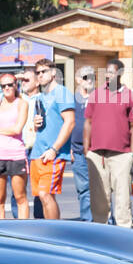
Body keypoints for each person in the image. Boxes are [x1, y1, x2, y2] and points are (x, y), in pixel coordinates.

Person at [84, 58, 133, 227]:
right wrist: (87, 149)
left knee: (123, 198)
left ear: (120, 74)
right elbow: (88, 122)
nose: (108, 75)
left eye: (112, 71)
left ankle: (124, 232)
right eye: (106, 72)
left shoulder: (132, 97)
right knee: (99, 199)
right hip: (96, 154)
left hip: (122, 155)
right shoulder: (96, 94)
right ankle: (101, 232)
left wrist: (131, 152)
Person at [27, 59, 75, 220]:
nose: (40, 75)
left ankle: (56, 233)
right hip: (38, 152)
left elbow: (70, 122)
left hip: (52, 152)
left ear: (54, 72)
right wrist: (34, 123)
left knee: (45, 194)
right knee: (43, 197)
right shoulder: (40, 97)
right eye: (38, 72)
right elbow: (40, 126)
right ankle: (50, 233)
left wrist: (54, 149)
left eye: (44, 71)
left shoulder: (61, 92)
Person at [0, 73, 29, 219]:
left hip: (16, 154)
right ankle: (0, 233)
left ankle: (23, 232)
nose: (7, 88)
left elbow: (17, 129)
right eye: (3, 86)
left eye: (10, 84)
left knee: (20, 196)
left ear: (16, 85)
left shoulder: (22, 103)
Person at [68, 67, 94, 221]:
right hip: (77, 151)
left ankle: (106, 223)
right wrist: (69, 148)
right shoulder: (71, 100)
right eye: (85, 77)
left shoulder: (99, 99)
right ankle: (88, 222)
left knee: (102, 188)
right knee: (84, 189)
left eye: (92, 77)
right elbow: (67, 125)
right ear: (78, 79)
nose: (89, 80)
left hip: (97, 150)